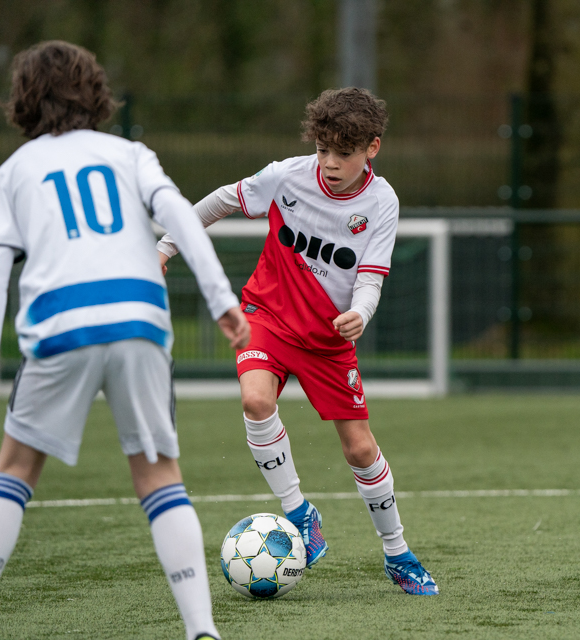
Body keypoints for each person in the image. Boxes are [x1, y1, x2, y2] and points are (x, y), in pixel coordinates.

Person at [0, 41, 250, 640]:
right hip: (139, 321)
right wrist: (221, 300)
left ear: (23, 101)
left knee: (15, 468)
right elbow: (180, 213)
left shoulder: (13, 172)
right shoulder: (129, 153)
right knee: (160, 476)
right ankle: (202, 631)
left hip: (61, 325)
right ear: (97, 94)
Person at [157, 87, 438, 596]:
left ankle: (397, 553)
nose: (329, 163)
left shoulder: (382, 202)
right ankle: (298, 511)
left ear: (371, 148)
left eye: (343, 153)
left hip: (328, 341)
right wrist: (166, 247)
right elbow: (222, 200)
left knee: (359, 450)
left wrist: (360, 313)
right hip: (267, 314)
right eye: (322, 149)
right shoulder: (287, 175)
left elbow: (370, 276)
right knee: (255, 399)